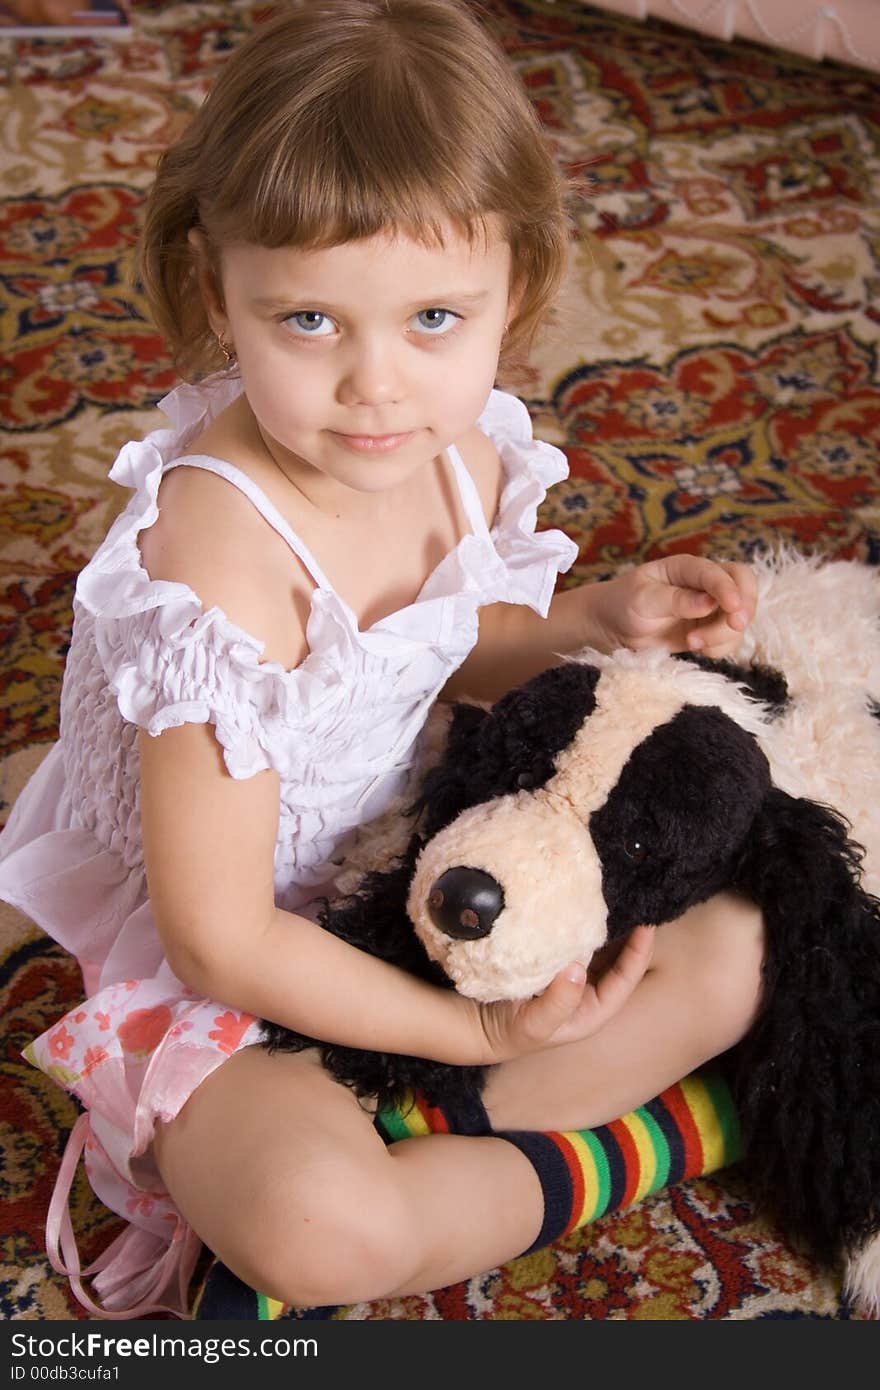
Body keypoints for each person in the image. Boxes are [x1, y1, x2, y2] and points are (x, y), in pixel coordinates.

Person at [0, 0, 764, 1319]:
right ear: (213, 293)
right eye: (306, 321)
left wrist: (594, 623)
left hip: (410, 855)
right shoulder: (218, 561)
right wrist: (474, 1033)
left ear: (514, 288)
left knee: (744, 947)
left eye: (431, 319)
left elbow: (447, 645)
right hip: (241, 955)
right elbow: (222, 935)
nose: (376, 388)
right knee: (314, 1224)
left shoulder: (458, 453)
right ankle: (603, 1133)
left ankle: (463, 1105)